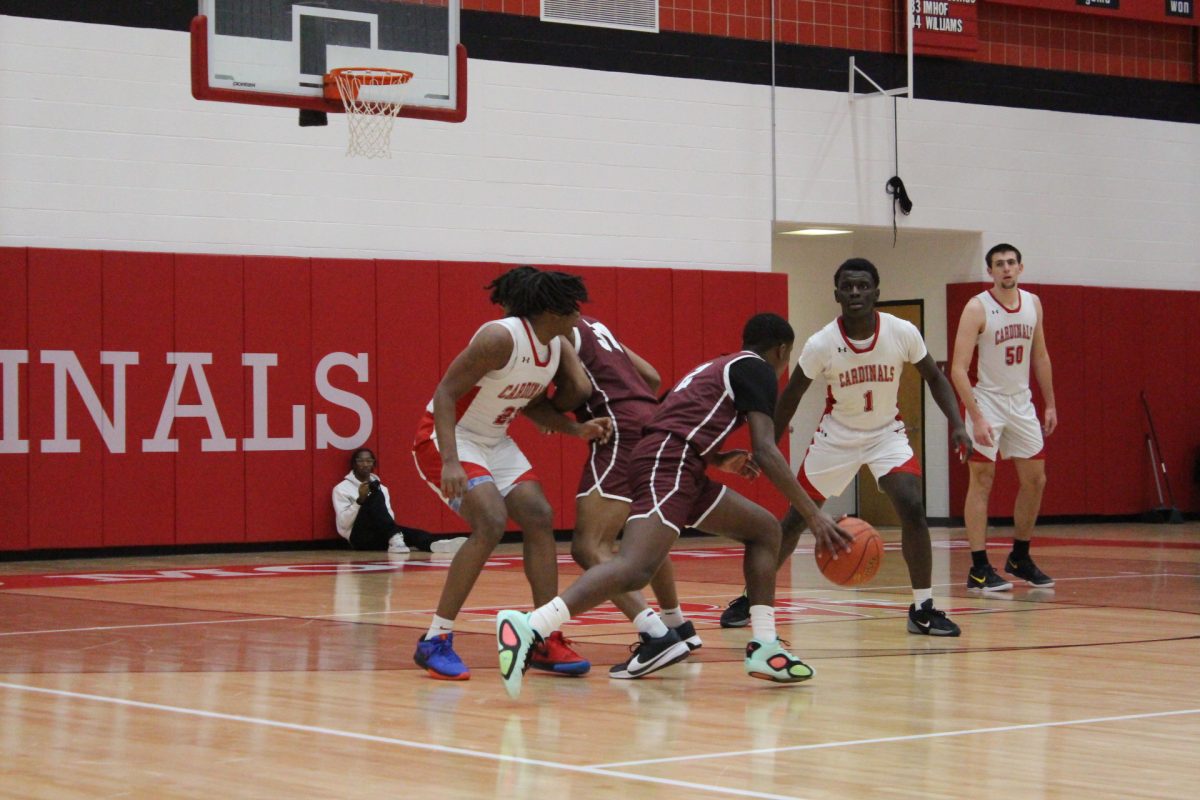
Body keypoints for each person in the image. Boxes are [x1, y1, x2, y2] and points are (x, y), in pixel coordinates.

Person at [494, 312, 852, 699]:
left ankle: (764, 646)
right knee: (633, 567)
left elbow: (669, 411)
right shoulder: (758, 369)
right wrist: (813, 516)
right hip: (669, 462)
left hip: (679, 459)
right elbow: (765, 449)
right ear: (782, 351)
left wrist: (714, 458)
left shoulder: (718, 365)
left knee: (765, 530)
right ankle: (530, 625)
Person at [720, 258, 972, 637]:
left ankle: (923, 607)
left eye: (863, 286)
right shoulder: (822, 342)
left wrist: (957, 423)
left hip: (886, 433)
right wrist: (768, 440)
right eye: (848, 287)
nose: (856, 292)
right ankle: (750, 596)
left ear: (876, 292)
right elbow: (791, 395)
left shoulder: (902, 332)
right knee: (795, 519)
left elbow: (935, 378)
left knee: (913, 505)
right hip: (836, 437)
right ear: (837, 293)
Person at [410, 267, 611, 681]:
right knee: (491, 522)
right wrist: (449, 460)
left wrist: (575, 428)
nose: (578, 313)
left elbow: (532, 403)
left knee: (539, 516)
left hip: (495, 441)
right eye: (571, 306)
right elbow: (445, 392)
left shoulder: (556, 344)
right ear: (549, 310)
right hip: (449, 437)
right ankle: (436, 639)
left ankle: (544, 636)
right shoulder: (499, 338)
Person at [567, 314, 702, 676]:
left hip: (617, 426)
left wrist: (543, 408)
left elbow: (577, 389)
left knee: (588, 545)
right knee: (644, 534)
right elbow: (653, 377)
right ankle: (677, 625)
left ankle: (655, 635)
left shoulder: (556, 330)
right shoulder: (598, 326)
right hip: (651, 418)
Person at [950, 243, 1056, 591]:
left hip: (1021, 403)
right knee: (982, 480)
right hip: (988, 402)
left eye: (1011, 263)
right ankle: (979, 568)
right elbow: (958, 369)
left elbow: (1040, 356)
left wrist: (1050, 403)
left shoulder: (1033, 304)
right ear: (991, 271)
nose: (1006, 269)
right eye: (999, 264)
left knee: (1036, 480)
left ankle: (1020, 557)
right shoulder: (977, 307)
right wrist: (976, 417)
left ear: (1021, 268)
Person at [332, 448, 467, 554]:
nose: (365, 464)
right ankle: (395, 538)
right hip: (359, 538)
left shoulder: (382, 488)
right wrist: (359, 501)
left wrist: (393, 532)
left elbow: (389, 517)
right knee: (375, 495)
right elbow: (343, 524)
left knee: (414, 534)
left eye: (369, 461)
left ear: (374, 463)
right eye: (360, 461)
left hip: (381, 535)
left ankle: (440, 544)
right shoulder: (341, 488)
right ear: (353, 464)